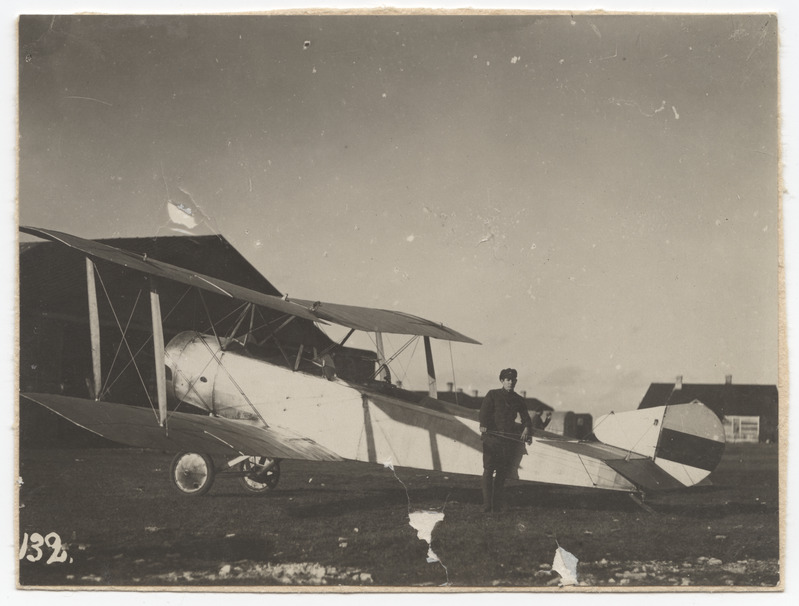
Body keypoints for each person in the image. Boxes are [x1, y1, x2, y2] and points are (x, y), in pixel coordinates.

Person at [478, 368, 534, 513]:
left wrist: (527, 428)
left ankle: (496, 505)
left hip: (507, 441)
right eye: (507, 380)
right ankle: (486, 505)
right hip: (491, 438)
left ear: (516, 381)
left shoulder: (518, 399)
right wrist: (484, 425)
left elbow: (526, 417)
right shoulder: (492, 394)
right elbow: (484, 413)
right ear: (502, 381)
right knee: (488, 470)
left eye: (513, 380)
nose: (510, 382)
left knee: (502, 473)